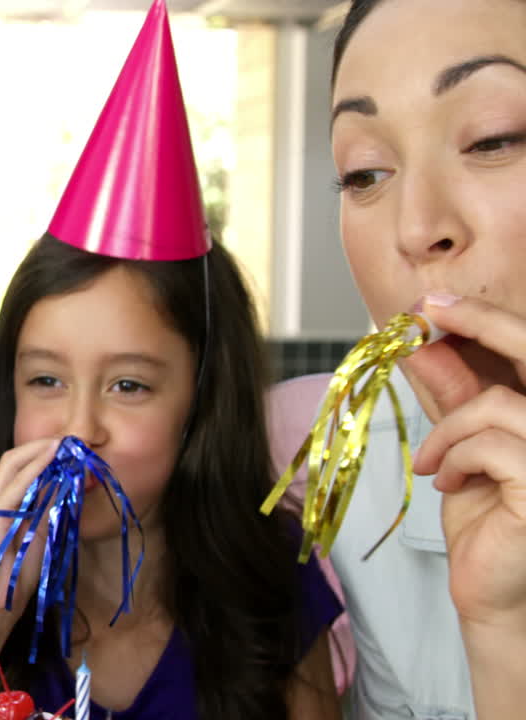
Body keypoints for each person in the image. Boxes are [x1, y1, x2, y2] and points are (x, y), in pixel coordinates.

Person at [0, 3, 339, 717]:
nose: (80, 430)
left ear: (201, 402)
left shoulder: (272, 584)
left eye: (129, 386)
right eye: (46, 379)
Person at [266, 0, 526, 716]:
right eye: (364, 172)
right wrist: (503, 634)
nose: (416, 229)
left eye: (493, 138)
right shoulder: (353, 475)